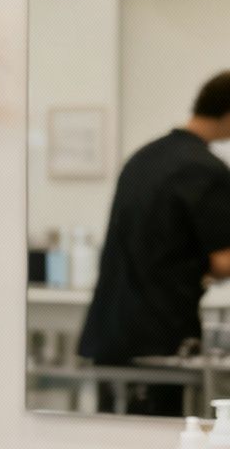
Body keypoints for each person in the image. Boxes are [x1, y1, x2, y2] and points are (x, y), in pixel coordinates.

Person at [80, 73, 230, 416]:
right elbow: (223, 260)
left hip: (109, 331)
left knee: (111, 439)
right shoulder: (206, 170)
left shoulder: (143, 158)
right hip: (159, 335)